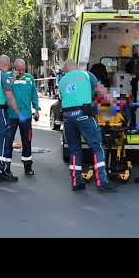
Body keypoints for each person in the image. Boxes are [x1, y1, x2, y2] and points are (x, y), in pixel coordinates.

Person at [58, 59, 115, 192]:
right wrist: (112, 104)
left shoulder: (62, 81)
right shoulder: (86, 75)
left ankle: (76, 181)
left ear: (66, 70)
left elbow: (65, 98)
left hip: (67, 117)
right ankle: (102, 182)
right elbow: (101, 92)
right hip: (84, 114)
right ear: (76, 67)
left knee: (74, 149)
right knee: (97, 147)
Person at [4, 58, 40, 176]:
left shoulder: (30, 78)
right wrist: (13, 78)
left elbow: (34, 94)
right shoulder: (8, 77)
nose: (21, 72)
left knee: (27, 140)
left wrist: (36, 109)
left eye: (23, 69)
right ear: (14, 68)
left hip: (26, 115)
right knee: (8, 141)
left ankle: (27, 166)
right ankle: (6, 167)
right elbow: (5, 91)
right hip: (11, 115)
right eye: (18, 69)